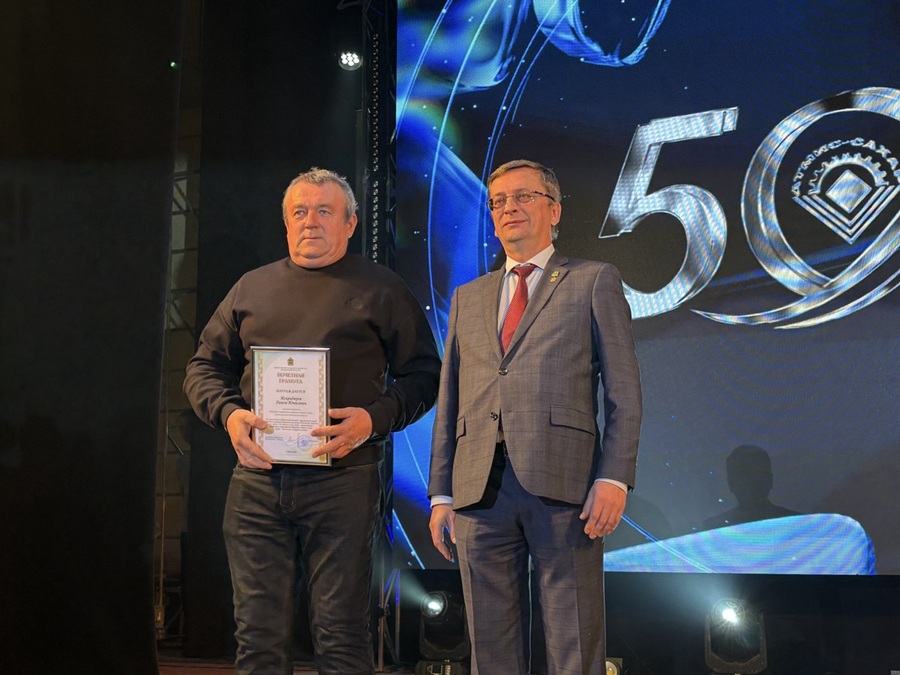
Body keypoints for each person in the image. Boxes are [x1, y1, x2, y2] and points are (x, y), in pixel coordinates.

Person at [184, 167, 441, 675]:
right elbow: (202, 369)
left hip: (344, 482)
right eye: (299, 211)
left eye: (324, 211)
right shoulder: (251, 288)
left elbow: (425, 375)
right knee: (257, 638)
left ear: (349, 223)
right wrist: (230, 415)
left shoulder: (381, 288)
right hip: (257, 481)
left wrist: (372, 420)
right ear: (286, 223)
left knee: (340, 634)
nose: (310, 221)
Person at [428, 159, 643, 674]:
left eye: (523, 196)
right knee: (490, 649)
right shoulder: (468, 297)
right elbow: (450, 399)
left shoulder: (593, 280)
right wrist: (441, 493)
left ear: (554, 210)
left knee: (573, 641)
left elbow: (624, 391)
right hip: (479, 489)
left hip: (564, 486)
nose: (509, 208)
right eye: (499, 201)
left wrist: (613, 477)